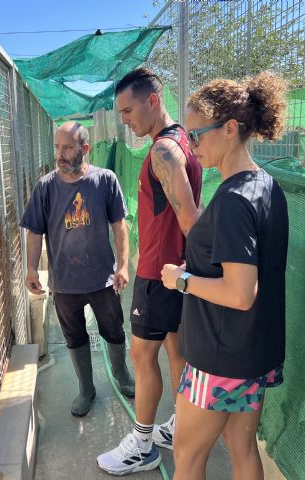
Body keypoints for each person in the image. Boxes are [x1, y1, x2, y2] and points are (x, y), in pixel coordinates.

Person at [161, 71, 289, 480]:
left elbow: (239, 292)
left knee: (187, 455)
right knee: (241, 447)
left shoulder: (233, 199)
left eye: (196, 135)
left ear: (230, 129)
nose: (189, 146)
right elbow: (241, 267)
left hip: (219, 356)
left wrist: (181, 281)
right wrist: (196, 270)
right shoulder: (266, 186)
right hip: (251, 350)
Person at [97, 68, 202, 475]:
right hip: (175, 273)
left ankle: (143, 445)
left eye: (128, 110)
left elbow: (191, 219)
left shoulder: (164, 151)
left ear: (153, 101)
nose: (125, 119)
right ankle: (178, 426)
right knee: (176, 351)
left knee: (142, 355)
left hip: (160, 275)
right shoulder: (184, 145)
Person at [20, 121, 135, 417]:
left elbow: (119, 226)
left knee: (113, 330)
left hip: (102, 279)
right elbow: (34, 231)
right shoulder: (45, 187)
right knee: (75, 337)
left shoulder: (104, 180)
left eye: (68, 147)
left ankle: (121, 375)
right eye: (58, 147)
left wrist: (123, 266)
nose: (60, 153)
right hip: (65, 283)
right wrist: (31, 268)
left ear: (84, 149)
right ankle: (86, 388)